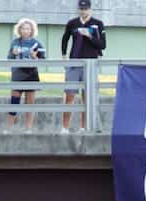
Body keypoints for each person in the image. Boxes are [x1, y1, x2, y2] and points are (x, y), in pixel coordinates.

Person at [59, 0, 105, 133]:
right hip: (74, 62)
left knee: (87, 97)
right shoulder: (72, 23)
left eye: (85, 9)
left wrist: (89, 35)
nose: (83, 11)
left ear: (90, 9)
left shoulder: (98, 24)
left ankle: (83, 127)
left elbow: (102, 45)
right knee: (69, 95)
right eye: (81, 8)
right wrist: (64, 56)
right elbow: (65, 39)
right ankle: (65, 127)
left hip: (90, 64)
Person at [4, 18, 44, 132]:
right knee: (14, 102)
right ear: (19, 30)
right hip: (17, 74)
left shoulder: (36, 43)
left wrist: (34, 56)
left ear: (32, 30)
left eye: (28, 28)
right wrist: (13, 53)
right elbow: (9, 58)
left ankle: (28, 129)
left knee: (30, 104)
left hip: (31, 74)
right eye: (23, 28)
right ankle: (8, 129)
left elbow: (43, 60)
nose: (26, 30)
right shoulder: (15, 42)